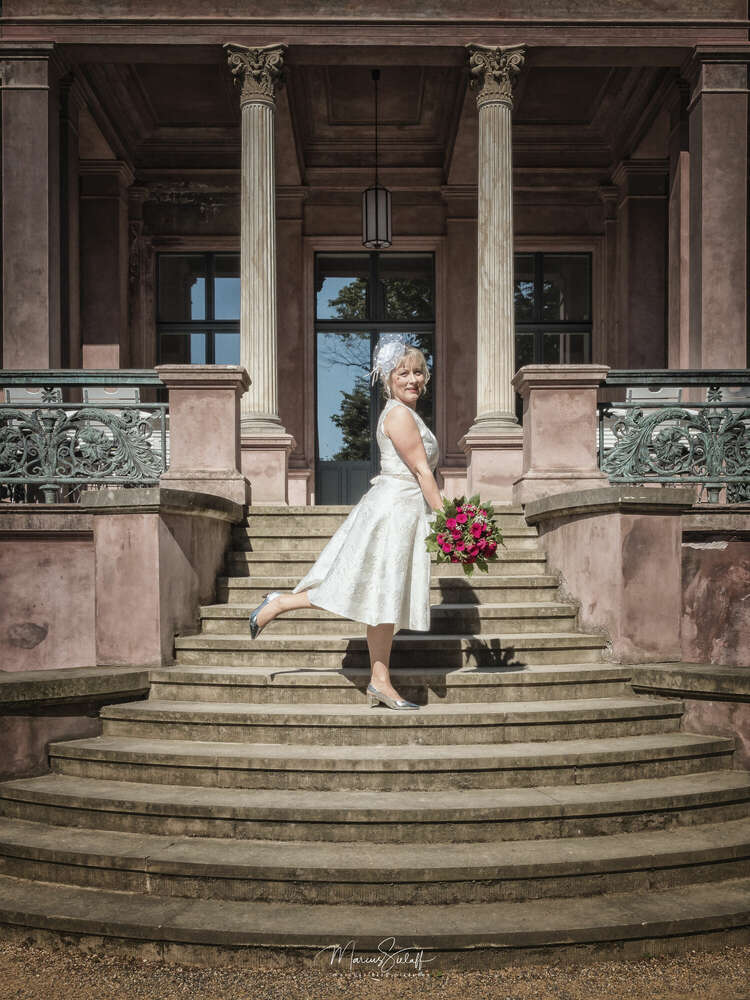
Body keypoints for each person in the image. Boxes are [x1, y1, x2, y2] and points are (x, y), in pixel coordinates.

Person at [248, 333, 444, 710]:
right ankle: (279, 603)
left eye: (418, 372)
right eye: (403, 373)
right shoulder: (400, 414)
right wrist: (453, 522)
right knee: (358, 586)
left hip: (403, 509)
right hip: (393, 510)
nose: (412, 380)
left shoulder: (406, 413)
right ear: (389, 378)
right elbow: (421, 470)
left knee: (383, 598)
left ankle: (379, 681)